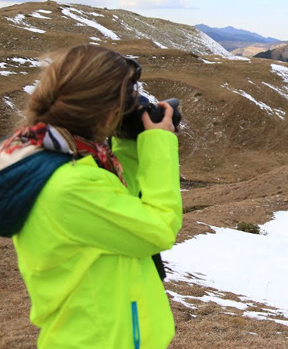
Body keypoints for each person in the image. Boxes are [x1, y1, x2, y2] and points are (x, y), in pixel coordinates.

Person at [0, 45, 182, 348]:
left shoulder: (56, 159)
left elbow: (124, 211)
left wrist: (129, 146)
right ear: (109, 111)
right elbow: (158, 227)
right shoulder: (71, 185)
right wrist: (160, 143)